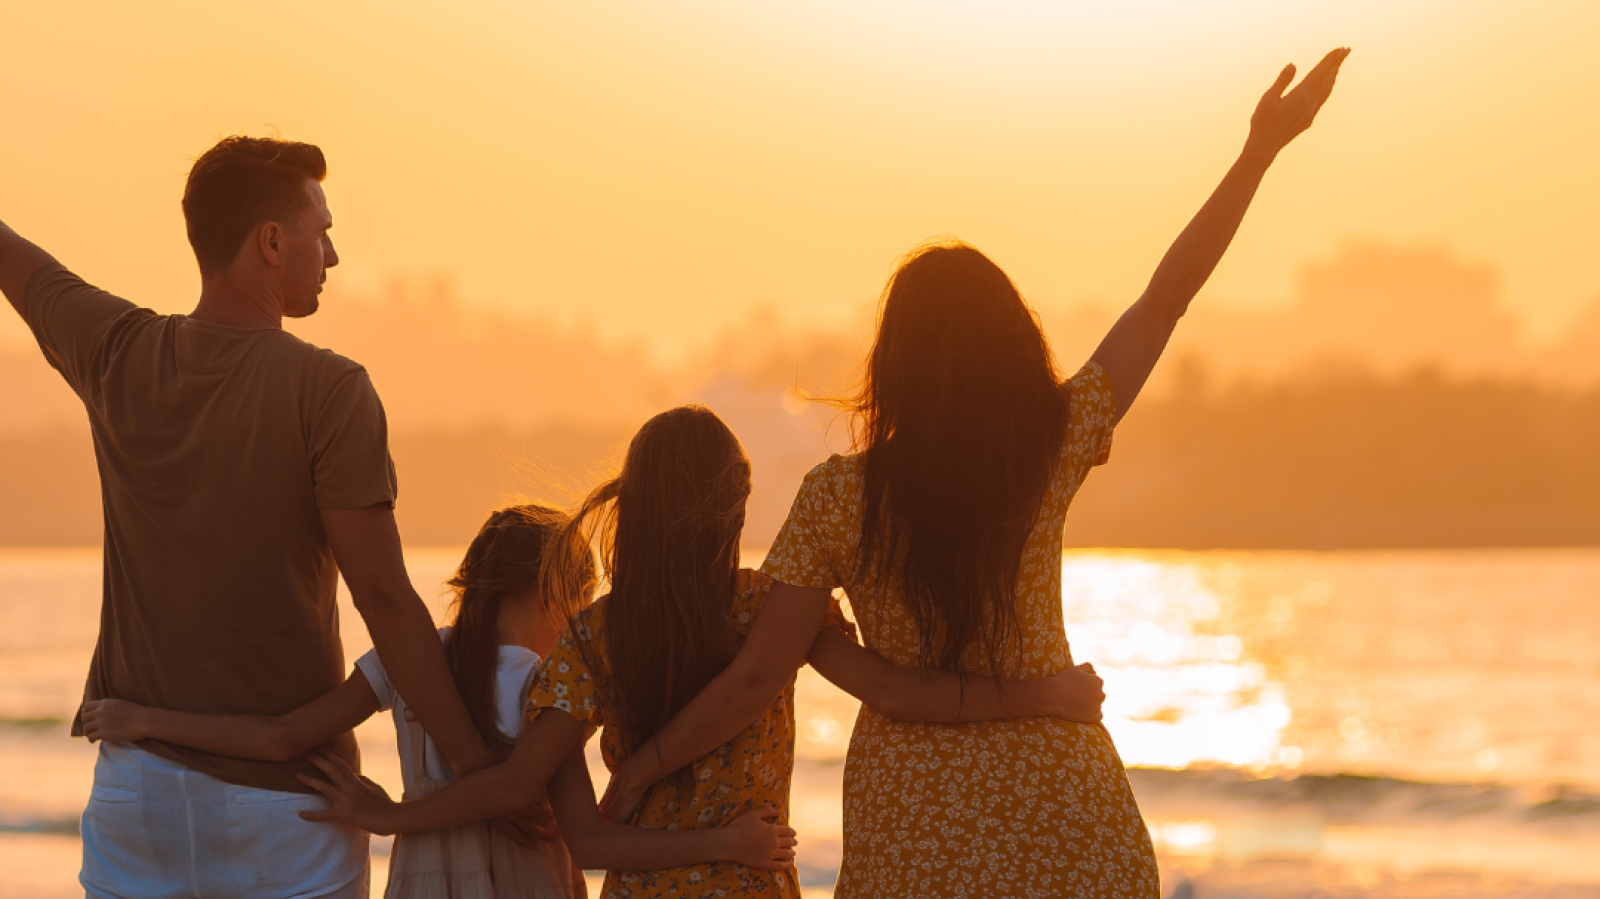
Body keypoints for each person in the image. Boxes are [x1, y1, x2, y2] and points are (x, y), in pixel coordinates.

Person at [591, 49, 1352, 898]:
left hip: (914, 828)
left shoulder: (839, 498)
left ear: (898, 360)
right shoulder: (1046, 450)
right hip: (1066, 811)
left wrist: (642, 768)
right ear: (1009, 346)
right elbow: (1165, 297)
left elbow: (756, 677)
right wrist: (1259, 152)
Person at [297, 405, 1108, 898]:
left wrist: (394, 816)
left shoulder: (592, 637)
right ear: (733, 507)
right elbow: (897, 692)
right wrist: (1043, 694)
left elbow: (572, 828)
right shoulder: (774, 612)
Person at [0, 136, 519, 898]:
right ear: (271, 243)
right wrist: (484, 775)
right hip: (286, 816)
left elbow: (19, 263)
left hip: (134, 798)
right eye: (322, 230)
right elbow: (382, 596)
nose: (333, 255)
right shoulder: (329, 389)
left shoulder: (116, 350)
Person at [82, 504, 605, 897]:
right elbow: (554, 805)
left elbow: (280, 737)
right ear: (554, 594)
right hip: (530, 875)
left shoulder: (410, 656)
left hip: (422, 878)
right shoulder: (550, 682)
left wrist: (146, 719)